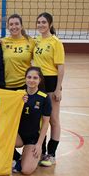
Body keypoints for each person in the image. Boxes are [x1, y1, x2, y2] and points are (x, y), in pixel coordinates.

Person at [33, 12, 65, 167]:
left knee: (53, 119)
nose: (41, 25)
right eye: (38, 22)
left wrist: (58, 89)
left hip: (51, 81)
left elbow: (61, 67)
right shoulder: (37, 40)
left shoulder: (55, 42)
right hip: (39, 81)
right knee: (41, 119)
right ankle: (42, 151)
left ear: (50, 24)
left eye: (44, 22)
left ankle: (52, 154)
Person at [13, 67, 51, 175]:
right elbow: (8, 114)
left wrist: (39, 144)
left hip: (33, 138)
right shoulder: (18, 94)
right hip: (18, 136)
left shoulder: (44, 98)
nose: (31, 80)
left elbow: (45, 123)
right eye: (29, 77)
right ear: (25, 79)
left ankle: (24, 159)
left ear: (40, 80)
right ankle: (17, 157)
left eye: (35, 78)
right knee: (0, 136)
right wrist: (18, 103)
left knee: (26, 170)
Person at [1, 14, 35, 90]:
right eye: (11, 24)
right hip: (6, 85)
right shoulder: (2, 42)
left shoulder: (31, 42)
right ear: (8, 27)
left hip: (25, 85)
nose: (14, 27)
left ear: (21, 26)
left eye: (16, 24)